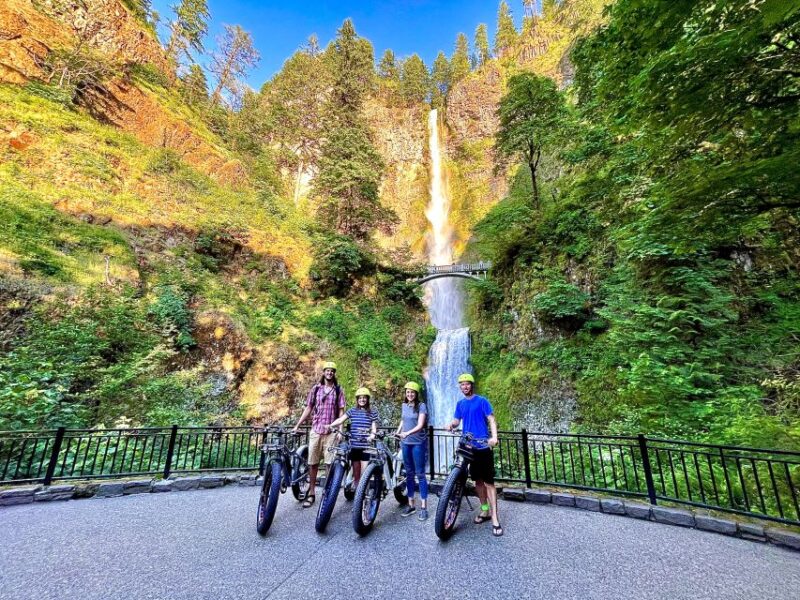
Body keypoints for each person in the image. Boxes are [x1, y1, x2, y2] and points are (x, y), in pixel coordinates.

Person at [447, 373, 502, 537]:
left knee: (489, 483)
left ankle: (495, 518)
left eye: (467, 384)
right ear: (460, 387)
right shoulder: (460, 404)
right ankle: (484, 510)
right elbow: (457, 421)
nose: (465, 387)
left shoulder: (482, 401)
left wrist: (494, 438)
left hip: (483, 446)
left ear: (472, 385)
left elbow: (491, 419)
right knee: (478, 481)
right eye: (462, 385)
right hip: (468, 447)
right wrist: (451, 424)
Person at [293, 361, 346, 508]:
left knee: (329, 464)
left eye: (332, 371)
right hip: (316, 429)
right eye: (327, 370)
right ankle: (311, 493)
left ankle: (327, 492)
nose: (329, 373)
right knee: (312, 463)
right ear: (323, 372)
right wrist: (298, 424)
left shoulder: (338, 390)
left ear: (334, 373)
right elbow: (308, 408)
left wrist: (340, 429)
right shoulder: (316, 389)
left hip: (331, 431)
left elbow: (341, 411)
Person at [328, 387, 378, 490]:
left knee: (365, 475)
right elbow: (341, 420)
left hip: (366, 446)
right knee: (356, 474)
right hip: (354, 446)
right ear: (357, 399)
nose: (362, 400)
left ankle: (364, 497)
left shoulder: (372, 412)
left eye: (364, 398)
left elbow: (374, 428)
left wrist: (372, 436)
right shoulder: (352, 411)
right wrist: (330, 425)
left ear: (368, 399)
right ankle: (357, 498)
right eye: (360, 398)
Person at [396, 381, 429, 521]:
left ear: (416, 394)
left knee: (420, 473)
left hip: (418, 443)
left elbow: (421, 425)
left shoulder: (421, 406)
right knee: (409, 473)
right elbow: (403, 421)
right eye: (407, 392)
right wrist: (398, 432)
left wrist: (407, 433)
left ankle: (424, 507)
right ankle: (411, 505)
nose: (409, 394)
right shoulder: (404, 405)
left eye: (412, 392)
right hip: (405, 443)